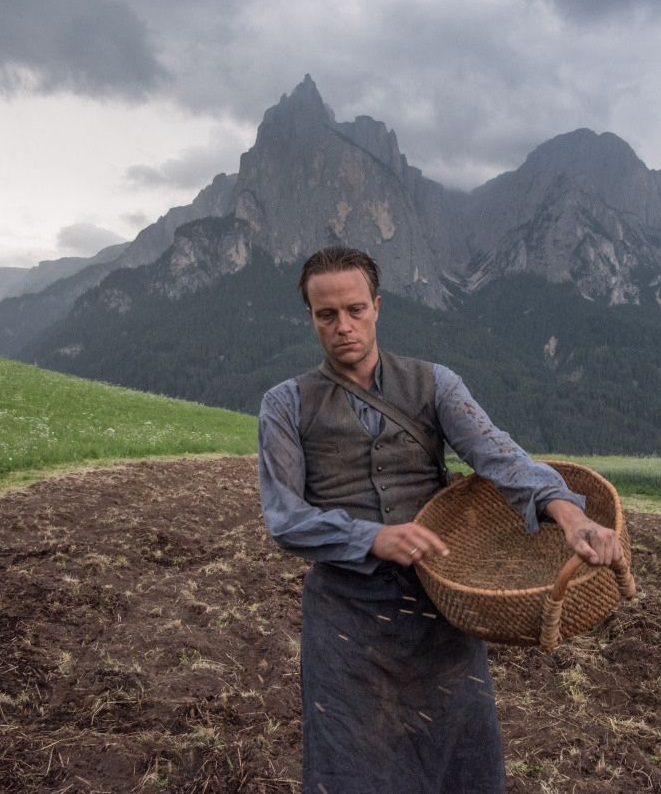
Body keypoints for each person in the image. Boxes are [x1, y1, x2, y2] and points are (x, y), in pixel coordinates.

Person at [258, 246, 623, 794]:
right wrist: (372, 538)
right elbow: (284, 518)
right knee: (352, 770)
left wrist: (570, 516)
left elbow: (500, 456)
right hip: (345, 620)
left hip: (438, 608)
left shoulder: (435, 384)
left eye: (355, 310)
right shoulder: (285, 404)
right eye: (327, 315)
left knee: (460, 763)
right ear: (310, 316)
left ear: (377, 307)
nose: (343, 326)